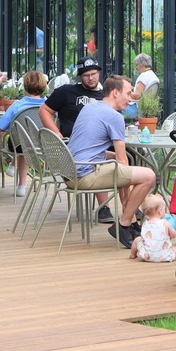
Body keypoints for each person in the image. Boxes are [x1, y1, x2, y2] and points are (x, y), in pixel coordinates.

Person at [66, 74, 157, 248]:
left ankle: (130, 221)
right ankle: (123, 225)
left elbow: (88, 147)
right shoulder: (114, 116)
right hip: (85, 174)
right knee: (148, 176)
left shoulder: (90, 108)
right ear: (115, 92)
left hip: (71, 171)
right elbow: (123, 161)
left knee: (121, 163)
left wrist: (126, 195)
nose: (130, 99)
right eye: (128, 94)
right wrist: (127, 197)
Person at [41, 57, 109, 220]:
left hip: (103, 143)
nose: (91, 78)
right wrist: (56, 134)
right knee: (99, 156)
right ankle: (104, 208)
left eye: (93, 73)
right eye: (86, 75)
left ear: (99, 73)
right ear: (80, 76)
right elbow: (44, 110)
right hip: (74, 148)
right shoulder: (66, 92)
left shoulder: (104, 96)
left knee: (130, 156)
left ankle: (132, 207)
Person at [0, 70, 47, 196]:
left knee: (22, 141)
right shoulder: (49, 105)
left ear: (25, 87)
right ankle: (19, 180)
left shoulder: (17, 105)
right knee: (27, 141)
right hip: (43, 143)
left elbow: (1, 127)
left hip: (19, 145)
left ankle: (20, 182)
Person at [128, 194, 176, 263]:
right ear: (160, 211)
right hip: (164, 256)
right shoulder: (166, 223)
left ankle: (133, 254)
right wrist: (172, 230)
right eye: (163, 209)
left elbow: (144, 238)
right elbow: (173, 235)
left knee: (137, 239)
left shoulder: (145, 223)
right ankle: (167, 255)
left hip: (147, 256)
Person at [124, 53, 160, 119]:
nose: (136, 67)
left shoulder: (143, 76)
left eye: (137, 64)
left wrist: (127, 90)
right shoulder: (154, 76)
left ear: (141, 64)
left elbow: (136, 96)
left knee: (114, 107)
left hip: (135, 108)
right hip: (145, 110)